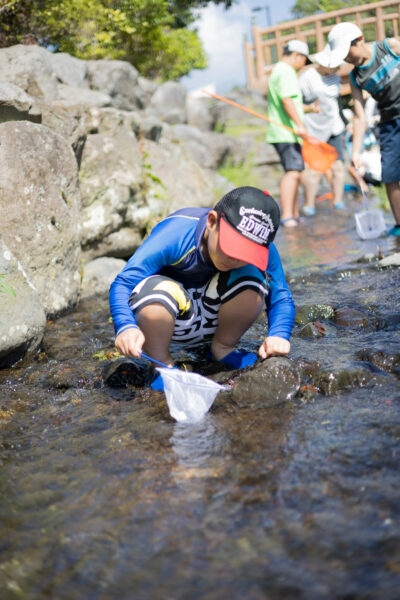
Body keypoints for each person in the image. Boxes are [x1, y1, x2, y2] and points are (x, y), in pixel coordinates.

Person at [109, 186, 295, 391]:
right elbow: (123, 282)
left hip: (216, 320)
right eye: (231, 248)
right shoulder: (176, 233)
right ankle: (161, 364)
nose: (235, 259)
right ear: (212, 221)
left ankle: (223, 348)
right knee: (154, 290)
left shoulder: (263, 247)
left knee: (255, 279)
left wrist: (279, 334)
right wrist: (125, 326)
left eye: (246, 254)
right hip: (171, 321)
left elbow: (281, 297)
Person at [321, 22, 400, 236]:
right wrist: (355, 153)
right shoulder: (356, 78)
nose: (347, 59)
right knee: (390, 175)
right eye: (343, 56)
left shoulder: (390, 47)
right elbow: (359, 116)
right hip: (389, 123)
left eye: (348, 52)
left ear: (361, 39)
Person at [266, 40, 319, 227]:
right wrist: (299, 125)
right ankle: (287, 216)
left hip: (286, 132)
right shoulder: (286, 71)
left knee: (296, 170)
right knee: (293, 172)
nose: (304, 65)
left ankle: (294, 214)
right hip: (285, 132)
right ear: (297, 55)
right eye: (304, 60)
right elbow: (286, 100)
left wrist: (309, 109)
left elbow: (292, 103)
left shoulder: (279, 70)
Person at [299, 48, 348, 215]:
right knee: (315, 169)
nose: (337, 69)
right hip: (314, 127)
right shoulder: (308, 77)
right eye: (334, 66)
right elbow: (297, 102)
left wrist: (345, 122)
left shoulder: (335, 77)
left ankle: (338, 200)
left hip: (334, 125)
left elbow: (337, 102)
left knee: (339, 166)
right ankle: (309, 204)